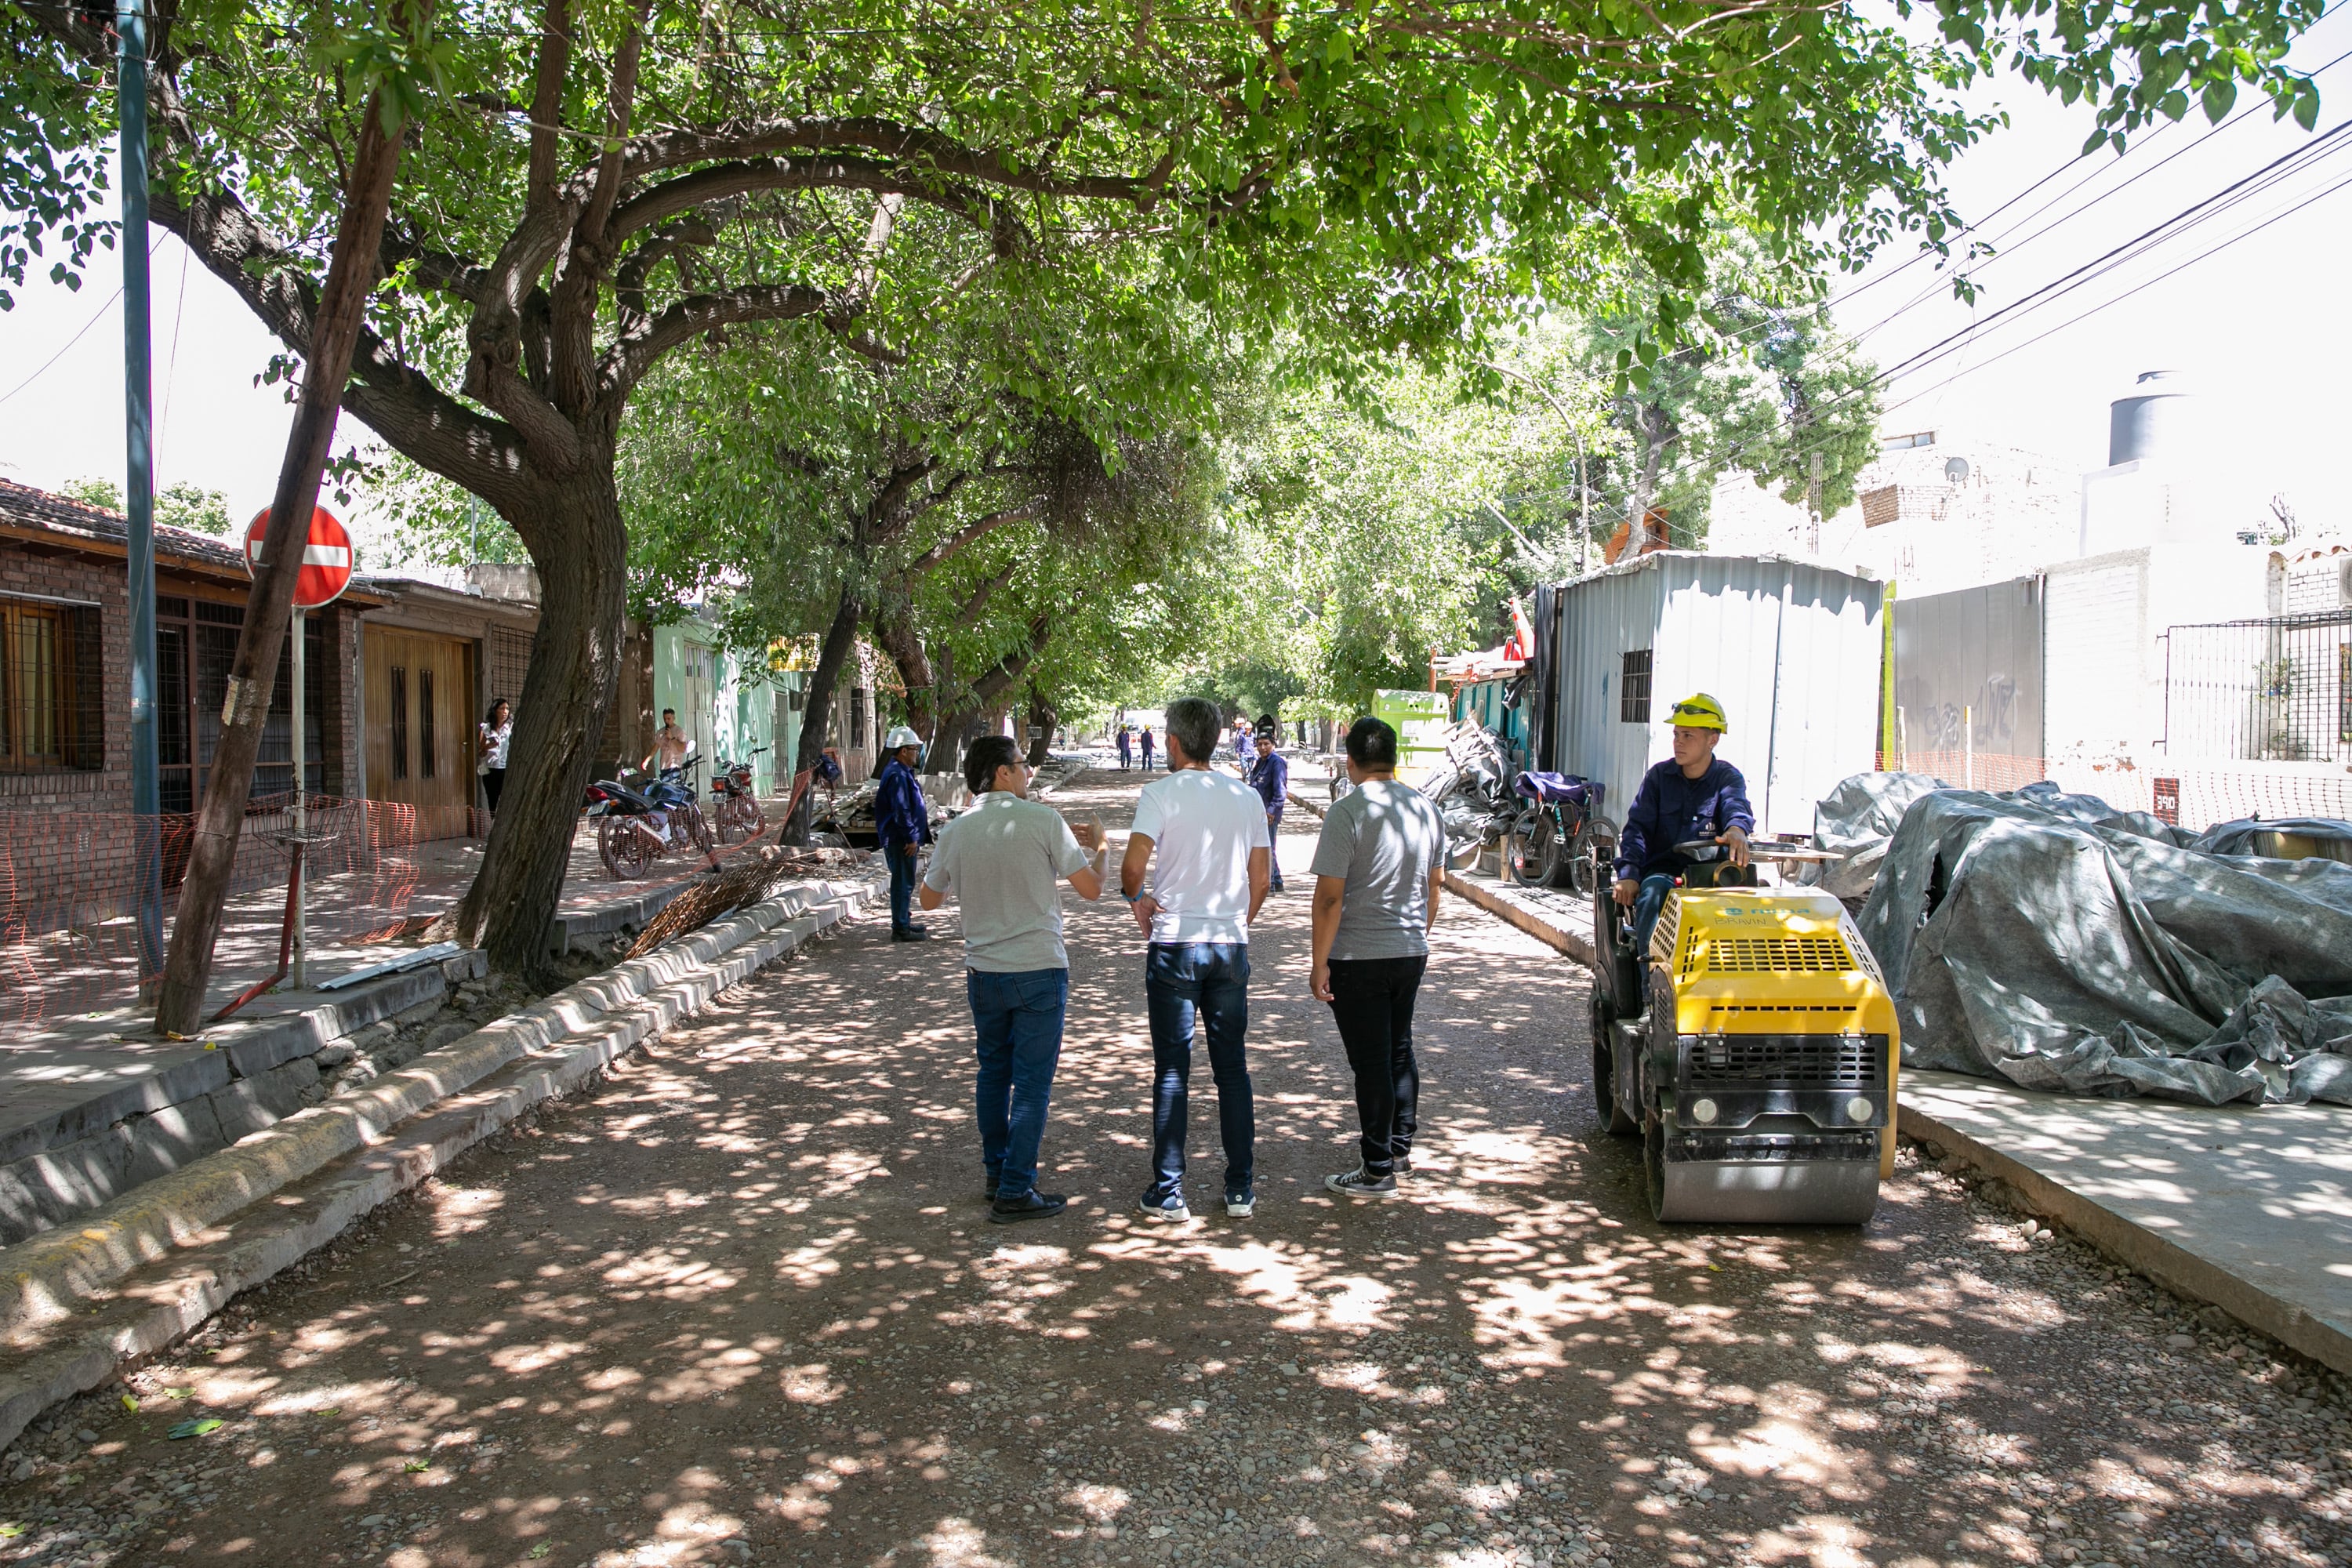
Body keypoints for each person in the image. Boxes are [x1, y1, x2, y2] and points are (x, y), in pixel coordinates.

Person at [920, 735, 1109, 1224]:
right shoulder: (1043, 821)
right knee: (1031, 1085)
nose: (1029, 772)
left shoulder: (957, 831)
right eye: (1023, 765)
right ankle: (1016, 1187)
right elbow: (1091, 889)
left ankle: (995, 1171)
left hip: (984, 972)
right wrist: (1103, 846)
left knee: (992, 1074)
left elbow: (928, 900)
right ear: (1002, 772)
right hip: (1039, 969)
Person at [1121, 697, 1270, 1221]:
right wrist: (1235, 922)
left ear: (1175, 742)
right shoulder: (1247, 797)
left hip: (1174, 947)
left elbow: (1132, 871)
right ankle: (1240, 1189)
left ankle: (1169, 1190)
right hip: (1228, 946)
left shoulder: (1159, 794)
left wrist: (1137, 901)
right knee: (1232, 1069)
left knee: (1172, 1071)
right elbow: (1261, 882)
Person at [1308, 715, 1448, 1200]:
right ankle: (1399, 1147)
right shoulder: (1426, 809)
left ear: (1351, 761)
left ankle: (1376, 1167)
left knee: (1371, 1062)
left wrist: (1318, 961)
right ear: (1394, 758)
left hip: (1357, 956)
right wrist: (1413, 936)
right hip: (1410, 950)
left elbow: (1329, 898)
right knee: (1399, 1050)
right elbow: (1435, 889)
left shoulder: (1347, 812)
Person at [1611, 691, 1752, 960]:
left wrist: (1736, 830)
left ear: (1713, 739)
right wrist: (1629, 875)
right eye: (1676, 735)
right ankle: (1651, 989)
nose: (1678, 742)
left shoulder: (1727, 777)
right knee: (1652, 896)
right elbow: (1636, 829)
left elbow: (1737, 807)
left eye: (1688, 736)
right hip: (1664, 873)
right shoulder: (1658, 778)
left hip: (1713, 877)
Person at [874, 726, 933, 942]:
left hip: (902, 837)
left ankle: (904, 922)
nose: (916, 753)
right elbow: (901, 809)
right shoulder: (897, 775)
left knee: (905, 881)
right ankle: (900, 928)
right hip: (900, 839)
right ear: (903, 751)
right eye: (913, 749)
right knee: (902, 882)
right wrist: (910, 837)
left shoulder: (902, 771)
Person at [1244, 718, 1289, 894]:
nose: (1263, 747)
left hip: (1268, 815)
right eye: (1260, 744)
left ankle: (1269, 882)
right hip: (1258, 814)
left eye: (1266, 744)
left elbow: (1280, 792)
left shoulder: (1276, 763)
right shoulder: (1260, 762)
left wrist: (1272, 811)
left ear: (1273, 744)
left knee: (1267, 848)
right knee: (1266, 846)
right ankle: (1277, 881)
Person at [476, 698, 513, 818]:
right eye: (502, 708)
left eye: (507, 709)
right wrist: (487, 747)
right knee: (492, 798)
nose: (505, 711)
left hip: (505, 768)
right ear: (495, 711)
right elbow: (481, 752)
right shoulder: (485, 728)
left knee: (506, 798)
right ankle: (493, 824)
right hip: (490, 770)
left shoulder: (510, 728)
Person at [645, 707, 690, 773]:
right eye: (665, 719)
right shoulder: (660, 732)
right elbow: (655, 748)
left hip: (674, 767)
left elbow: (682, 749)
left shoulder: (679, 731)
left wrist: (672, 738)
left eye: (669, 719)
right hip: (664, 767)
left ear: (674, 718)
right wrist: (647, 761)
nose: (666, 721)